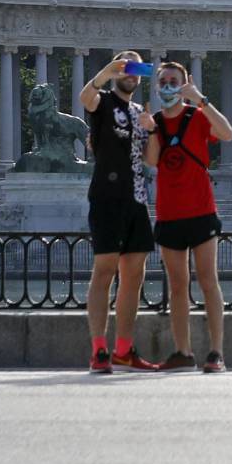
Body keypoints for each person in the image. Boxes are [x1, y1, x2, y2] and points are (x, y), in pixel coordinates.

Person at [145, 61, 232, 374]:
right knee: (178, 286)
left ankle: (216, 352)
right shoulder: (154, 121)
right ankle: (182, 351)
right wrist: (151, 129)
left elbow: (227, 133)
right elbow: (152, 161)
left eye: (175, 81)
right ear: (157, 87)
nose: (169, 86)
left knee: (209, 280)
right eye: (164, 81)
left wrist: (200, 98)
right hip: (169, 214)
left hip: (201, 211)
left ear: (185, 84)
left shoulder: (197, 115)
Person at [80, 51, 159, 374]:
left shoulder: (140, 111)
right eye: (125, 66)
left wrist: (152, 130)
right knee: (105, 270)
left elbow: (151, 160)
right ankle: (99, 349)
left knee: (134, 276)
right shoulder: (103, 102)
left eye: (135, 67)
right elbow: (85, 97)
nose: (130, 73)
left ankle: (124, 349)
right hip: (106, 198)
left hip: (137, 199)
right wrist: (105, 73)